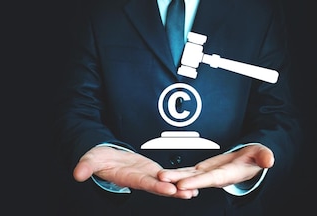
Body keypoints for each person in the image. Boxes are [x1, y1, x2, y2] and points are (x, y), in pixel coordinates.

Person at [54, 0, 302, 215]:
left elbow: (278, 114)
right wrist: (97, 146)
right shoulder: (100, 10)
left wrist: (257, 152)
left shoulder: (257, 11)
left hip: (223, 209)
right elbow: (78, 106)